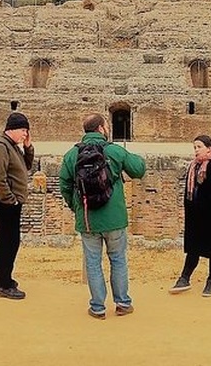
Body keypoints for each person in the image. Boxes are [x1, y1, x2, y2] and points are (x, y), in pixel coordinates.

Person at [59, 113, 146, 319]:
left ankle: (98, 307)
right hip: (114, 218)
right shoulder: (114, 150)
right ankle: (123, 303)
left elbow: (64, 185)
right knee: (117, 259)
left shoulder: (72, 155)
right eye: (106, 125)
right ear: (100, 128)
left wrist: (77, 207)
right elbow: (138, 169)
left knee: (93, 262)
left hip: (88, 220)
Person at [170, 135, 211, 297]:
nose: (196, 150)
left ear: (209, 148)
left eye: (199, 147)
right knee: (193, 248)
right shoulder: (194, 166)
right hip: (197, 215)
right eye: (194, 147)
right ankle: (184, 278)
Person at [0, 112, 35, 300]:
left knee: (4, 238)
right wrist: (10, 199)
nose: (25, 134)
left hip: (10, 201)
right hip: (7, 203)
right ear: (11, 129)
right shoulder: (0, 147)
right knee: (10, 241)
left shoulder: (12, 146)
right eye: (23, 130)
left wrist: (28, 146)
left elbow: (26, 166)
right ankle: (5, 284)